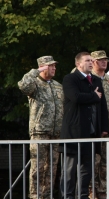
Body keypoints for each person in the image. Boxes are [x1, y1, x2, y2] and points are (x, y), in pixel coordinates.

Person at [59, 52, 109, 199]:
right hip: (74, 132)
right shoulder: (70, 79)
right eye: (87, 60)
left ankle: (82, 196)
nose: (91, 62)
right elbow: (75, 97)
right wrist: (93, 96)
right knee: (69, 169)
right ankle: (67, 196)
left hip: (91, 132)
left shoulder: (96, 80)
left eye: (91, 60)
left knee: (86, 169)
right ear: (78, 64)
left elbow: (102, 105)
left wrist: (104, 127)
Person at [18, 56, 63, 199]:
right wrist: (35, 72)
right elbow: (23, 86)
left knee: (52, 169)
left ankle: (47, 196)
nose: (54, 68)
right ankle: (36, 196)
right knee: (38, 169)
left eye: (55, 66)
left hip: (55, 134)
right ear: (43, 67)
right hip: (39, 132)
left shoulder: (57, 85)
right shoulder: (35, 83)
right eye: (51, 66)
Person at [89, 50, 109, 199]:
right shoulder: (88, 78)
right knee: (94, 159)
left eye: (105, 59)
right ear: (93, 61)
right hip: (95, 125)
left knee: (106, 161)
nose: (104, 62)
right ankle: (91, 190)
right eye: (100, 60)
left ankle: (103, 190)